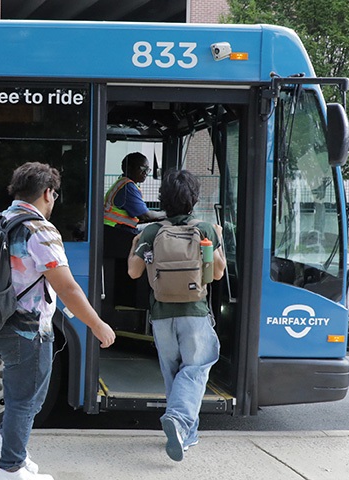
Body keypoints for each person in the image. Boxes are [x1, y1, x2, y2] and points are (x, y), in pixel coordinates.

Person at [0, 162, 117, 480]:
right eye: (54, 195)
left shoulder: (0, 220)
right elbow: (67, 286)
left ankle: (7, 442)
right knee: (26, 396)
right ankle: (11, 467)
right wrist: (97, 324)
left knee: (30, 392)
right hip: (25, 329)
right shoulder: (39, 229)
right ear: (48, 193)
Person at [126, 169, 225, 463]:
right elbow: (217, 273)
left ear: (163, 200)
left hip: (161, 314)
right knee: (195, 370)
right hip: (194, 312)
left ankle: (186, 434)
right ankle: (180, 422)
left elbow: (133, 272)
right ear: (193, 199)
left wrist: (136, 243)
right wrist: (218, 240)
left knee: (175, 374)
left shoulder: (152, 232)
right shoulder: (205, 229)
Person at [103, 152, 166, 310]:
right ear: (129, 168)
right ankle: (140, 304)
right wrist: (168, 214)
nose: (146, 173)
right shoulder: (127, 186)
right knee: (147, 252)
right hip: (113, 234)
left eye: (148, 169)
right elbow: (144, 215)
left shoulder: (127, 184)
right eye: (143, 168)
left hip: (115, 233)